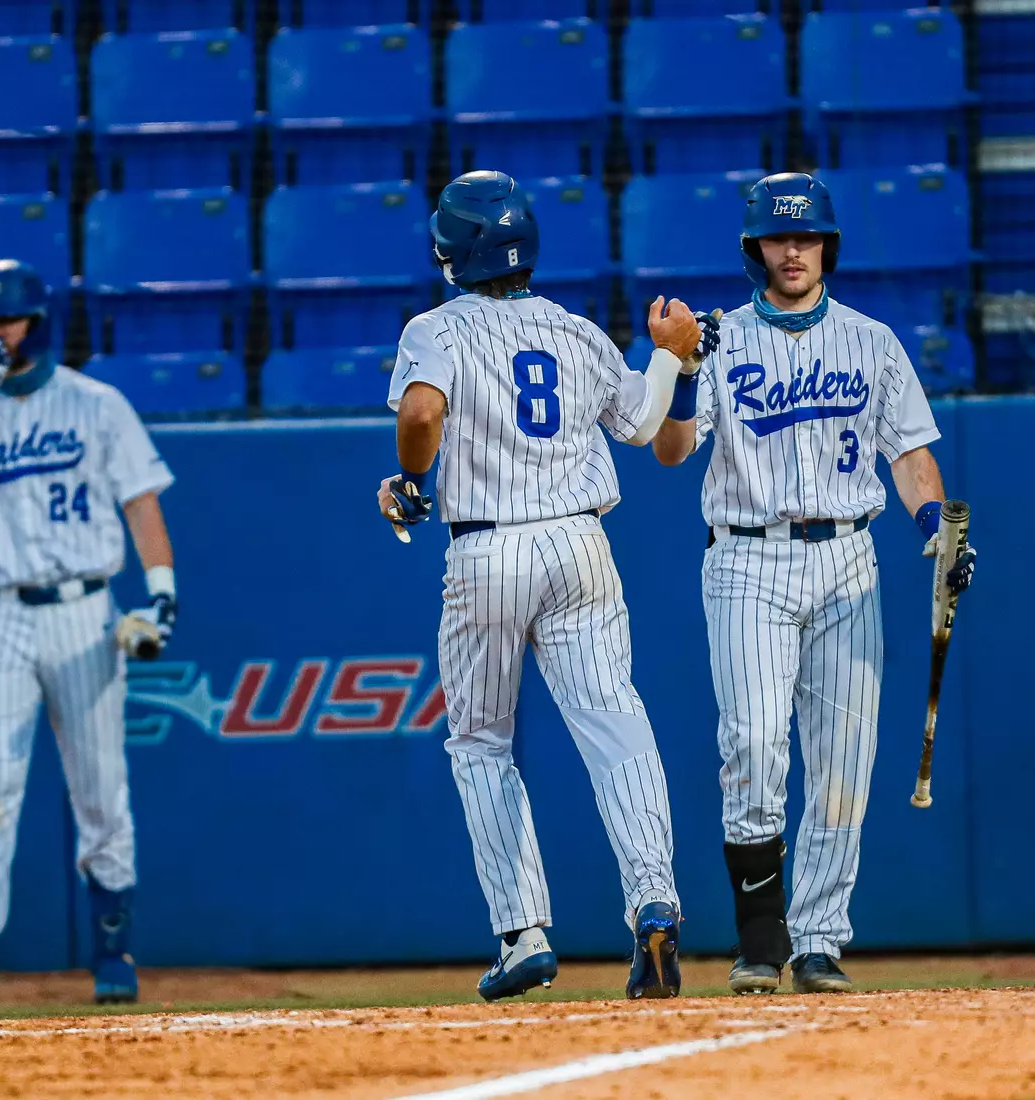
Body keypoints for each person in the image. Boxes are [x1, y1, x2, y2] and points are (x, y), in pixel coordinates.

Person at [377, 170, 707, 1001]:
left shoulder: (436, 326)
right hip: (579, 542)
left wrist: (409, 479)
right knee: (614, 722)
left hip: (487, 550)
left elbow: (419, 418)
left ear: (450, 252)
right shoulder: (577, 330)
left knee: (482, 743)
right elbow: (641, 427)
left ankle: (522, 931)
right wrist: (668, 359)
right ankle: (655, 904)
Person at [650, 173, 977, 995]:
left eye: (805, 237)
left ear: (826, 244)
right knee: (754, 746)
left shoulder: (871, 341)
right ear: (754, 247)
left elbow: (907, 455)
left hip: (846, 556)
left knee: (841, 762)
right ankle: (762, 939)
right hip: (747, 555)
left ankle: (821, 939)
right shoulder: (716, 340)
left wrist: (932, 526)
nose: (792, 251)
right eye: (777, 237)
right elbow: (668, 449)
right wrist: (682, 368)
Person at [0, 259, 179, 1005]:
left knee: (99, 788)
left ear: (39, 322)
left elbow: (142, 504)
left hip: (84, 612)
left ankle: (113, 952)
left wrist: (161, 594)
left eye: (10, 320)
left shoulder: (96, 405)